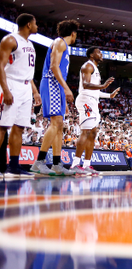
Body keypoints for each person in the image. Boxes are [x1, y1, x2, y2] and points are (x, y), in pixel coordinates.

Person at [31, 19, 79, 176]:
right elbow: (53, 66)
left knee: (59, 125)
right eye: (76, 34)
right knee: (55, 123)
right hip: (51, 83)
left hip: (56, 86)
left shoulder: (63, 46)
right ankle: (39, 161)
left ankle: (57, 164)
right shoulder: (60, 42)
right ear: (73, 33)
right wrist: (65, 88)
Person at [0, 13, 41, 178]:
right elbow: (0, 67)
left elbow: (28, 73)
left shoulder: (30, 44)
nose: (37, 26)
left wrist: (35, 91)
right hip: (10, 84)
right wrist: (6, 90)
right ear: (29, 25)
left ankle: (14, 166)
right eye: (35, 23)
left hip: (25, 87)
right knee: (3, 126)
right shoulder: (10, 40)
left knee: (19, 127)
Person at [69, 47, 120, 175]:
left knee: (93, 133)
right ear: (91, 54)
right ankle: (75, 164)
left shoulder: (95, 69)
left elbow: (95, 90)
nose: (101, 54)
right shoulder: (88, 66)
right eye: (98, 52)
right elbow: (86, 85)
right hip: (85, 100)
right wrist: (103, 86)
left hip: (93, 101)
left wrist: (109, 95)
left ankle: (87, 164)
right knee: (85, 132)